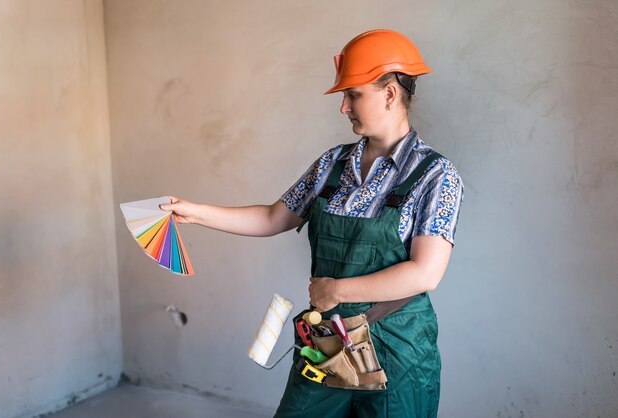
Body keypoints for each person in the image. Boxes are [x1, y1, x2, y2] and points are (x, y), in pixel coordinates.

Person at [161, 29, 463, 418]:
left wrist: (337, 289)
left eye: (353, 94)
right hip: (327, 344)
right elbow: (274, 216)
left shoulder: (435, 175)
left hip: (398, 348)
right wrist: (196, 212)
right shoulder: (332, 164)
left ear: (389, 94)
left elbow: (426, 273)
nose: (343, 107)